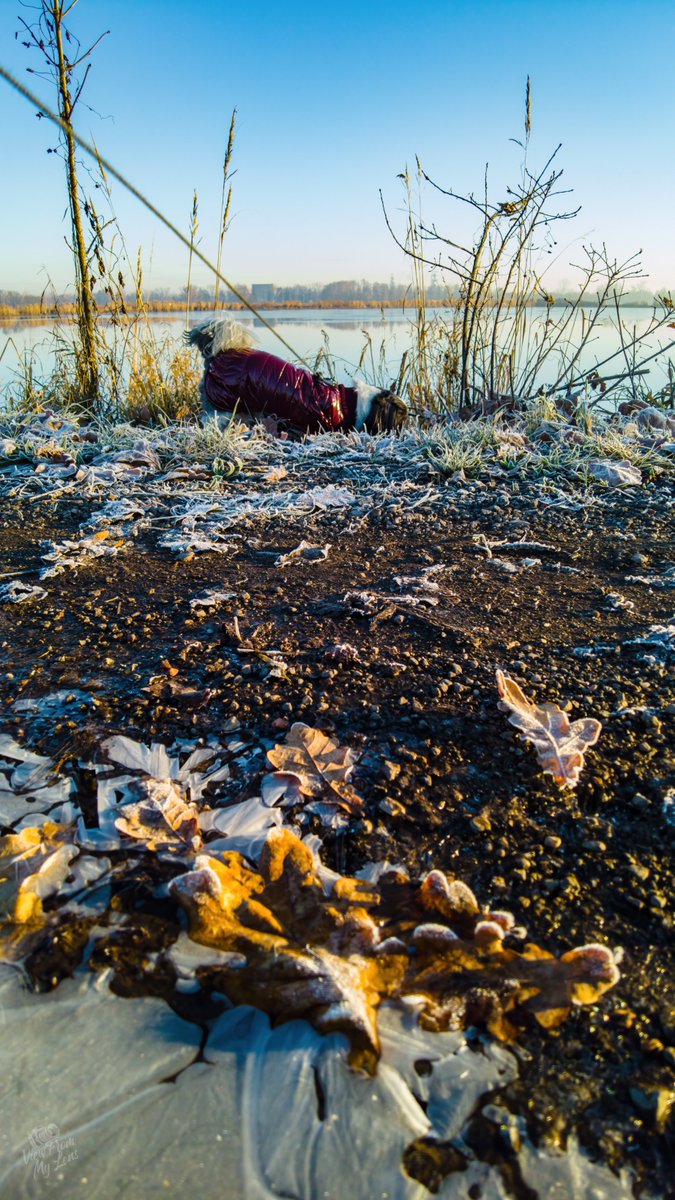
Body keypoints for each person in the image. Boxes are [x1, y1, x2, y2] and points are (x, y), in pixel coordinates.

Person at [186, 318, 408, 435]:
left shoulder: (335, 401)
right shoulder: (330, 415)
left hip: (237, 371)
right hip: (233, 376)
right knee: (219, 426)